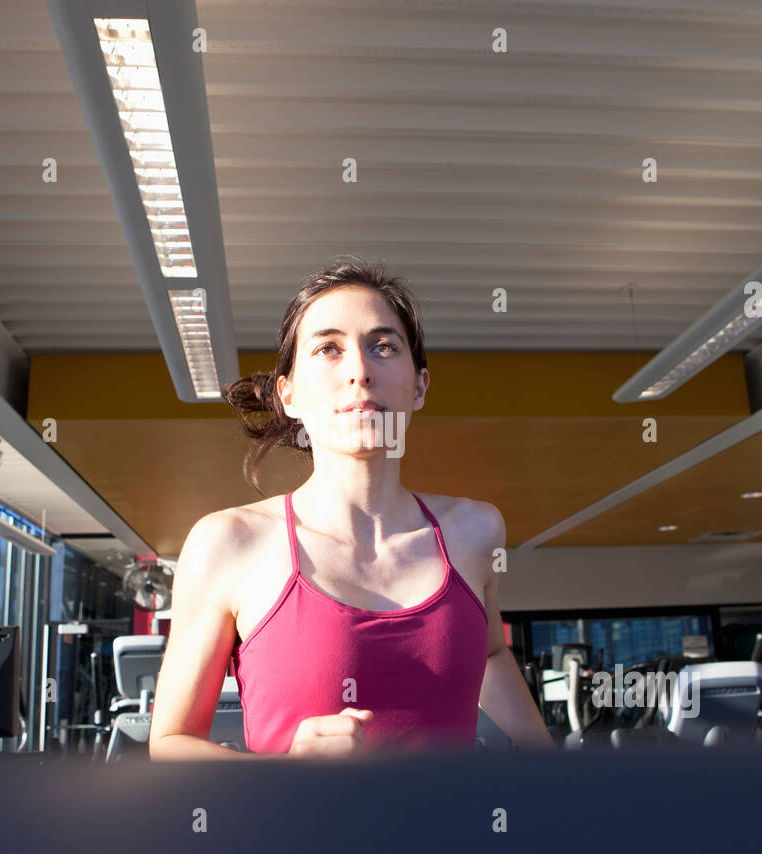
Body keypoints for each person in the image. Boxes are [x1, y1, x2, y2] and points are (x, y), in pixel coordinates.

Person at [148, 256, 556, 759]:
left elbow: (491, 653)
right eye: (328, 349)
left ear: (420, 386)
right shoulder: (228, 543)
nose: (360, 371)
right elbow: (169, 745)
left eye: (383, 347)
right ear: (289, 394)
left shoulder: (476, 530)